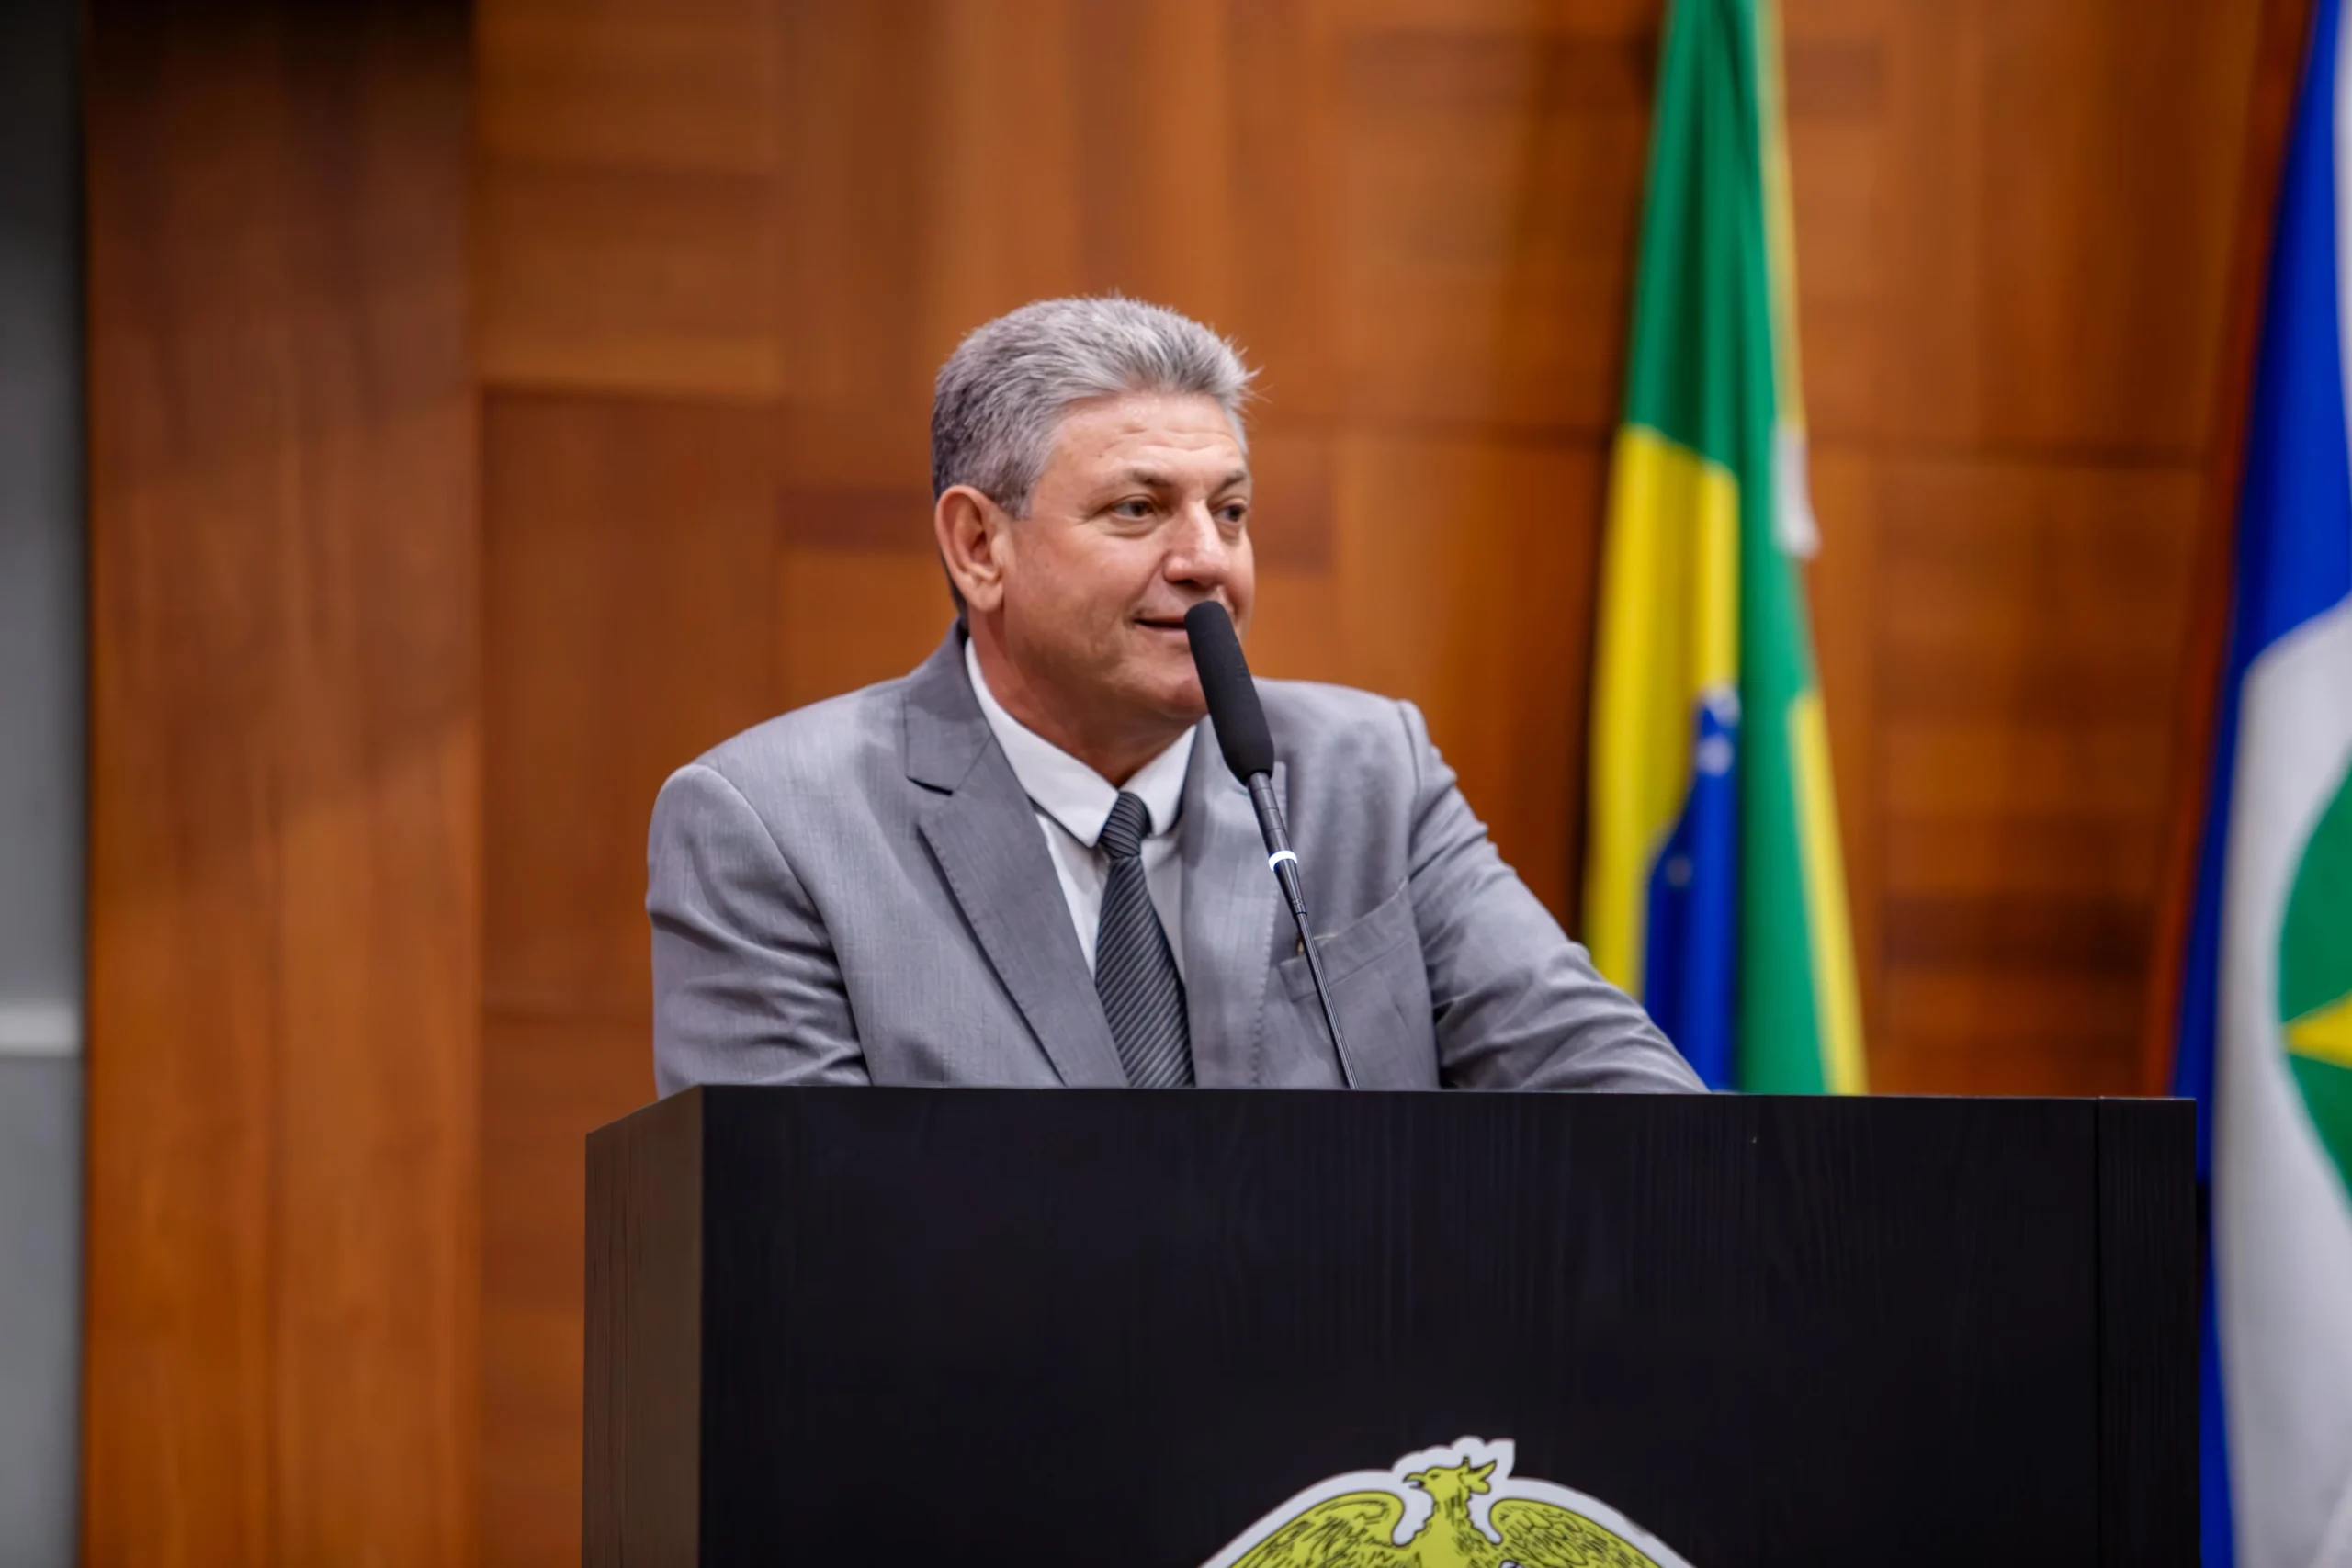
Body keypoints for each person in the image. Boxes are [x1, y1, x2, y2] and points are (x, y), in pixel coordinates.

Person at [648, 297, 1700, 1095]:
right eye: (1138, 508)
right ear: (979, 546)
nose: (1207, 561)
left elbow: (1618, 1095)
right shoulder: (777, 825)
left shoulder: (1365, 772)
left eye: (1230, 511)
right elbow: (791, 1247)